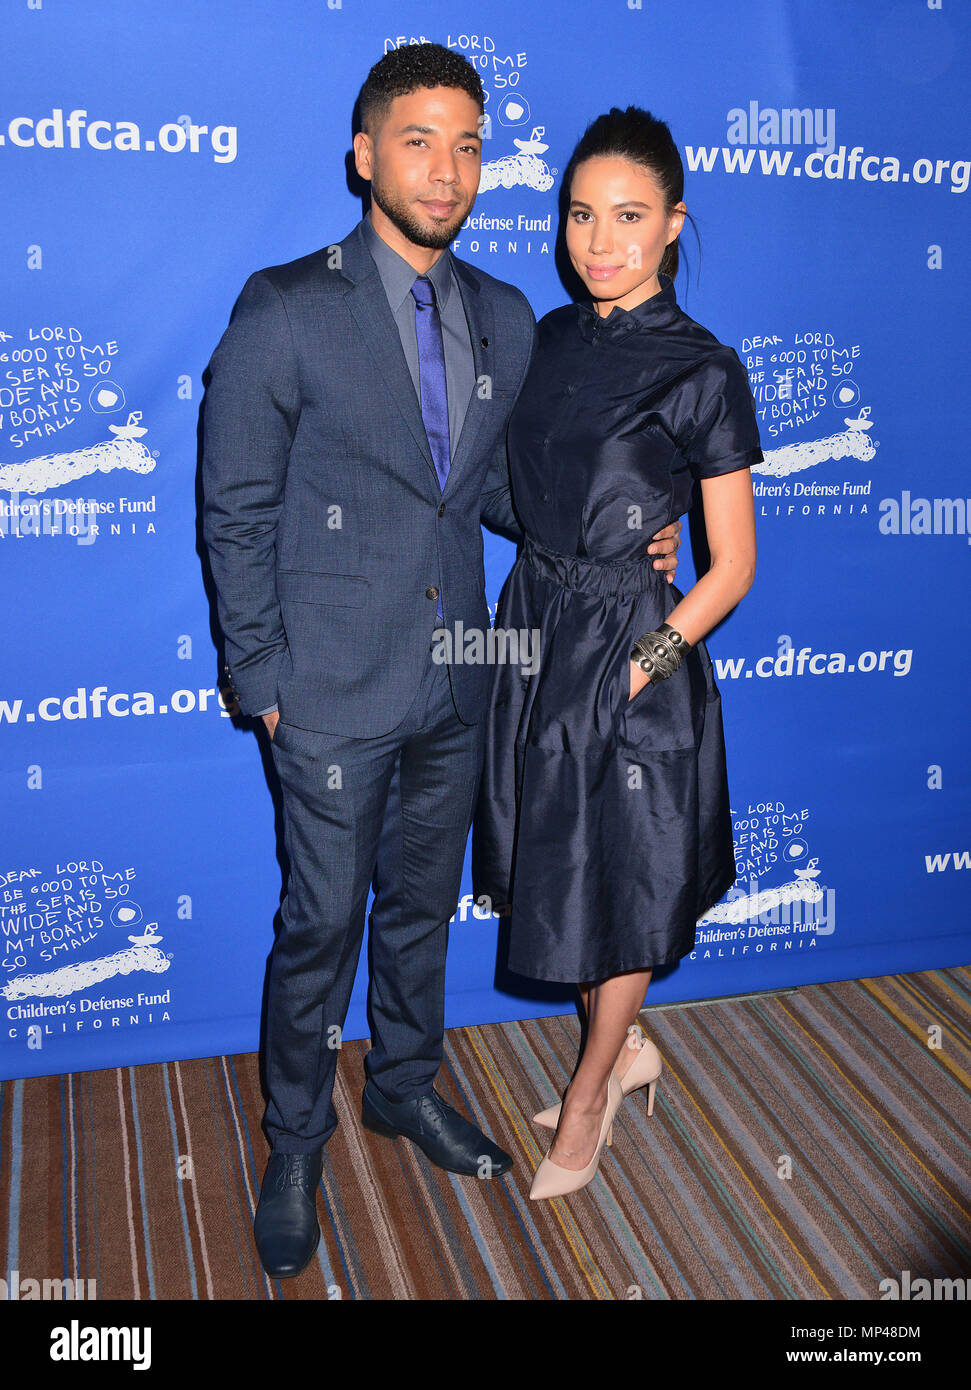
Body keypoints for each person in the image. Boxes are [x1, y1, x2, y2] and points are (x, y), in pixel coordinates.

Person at [201, 49, 683, 1276]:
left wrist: (634, 530)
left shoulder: (507, 318)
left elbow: (517, 492)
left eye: (467, 143)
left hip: (462, 674)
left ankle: (400, 1082)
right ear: (365, 154)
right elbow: (237, 506)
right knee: (321, 924)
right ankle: (296, 1136)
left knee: (421, 910)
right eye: (418, 140)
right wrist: (259, 679)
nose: (447, 168)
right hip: (325, 692)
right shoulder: (284, 306)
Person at [472, 106, 761, 1200]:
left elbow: (730, 565)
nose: (599, 241)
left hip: (630, 652)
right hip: (536, 623)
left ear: (673, 223)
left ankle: (590, 1091)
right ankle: (628, 1048)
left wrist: (641, 661)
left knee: (627, 876)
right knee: (567, 867)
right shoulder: (544, 338)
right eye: (581, 214)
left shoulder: (702, 369)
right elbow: (511, 490)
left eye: (629, 216)